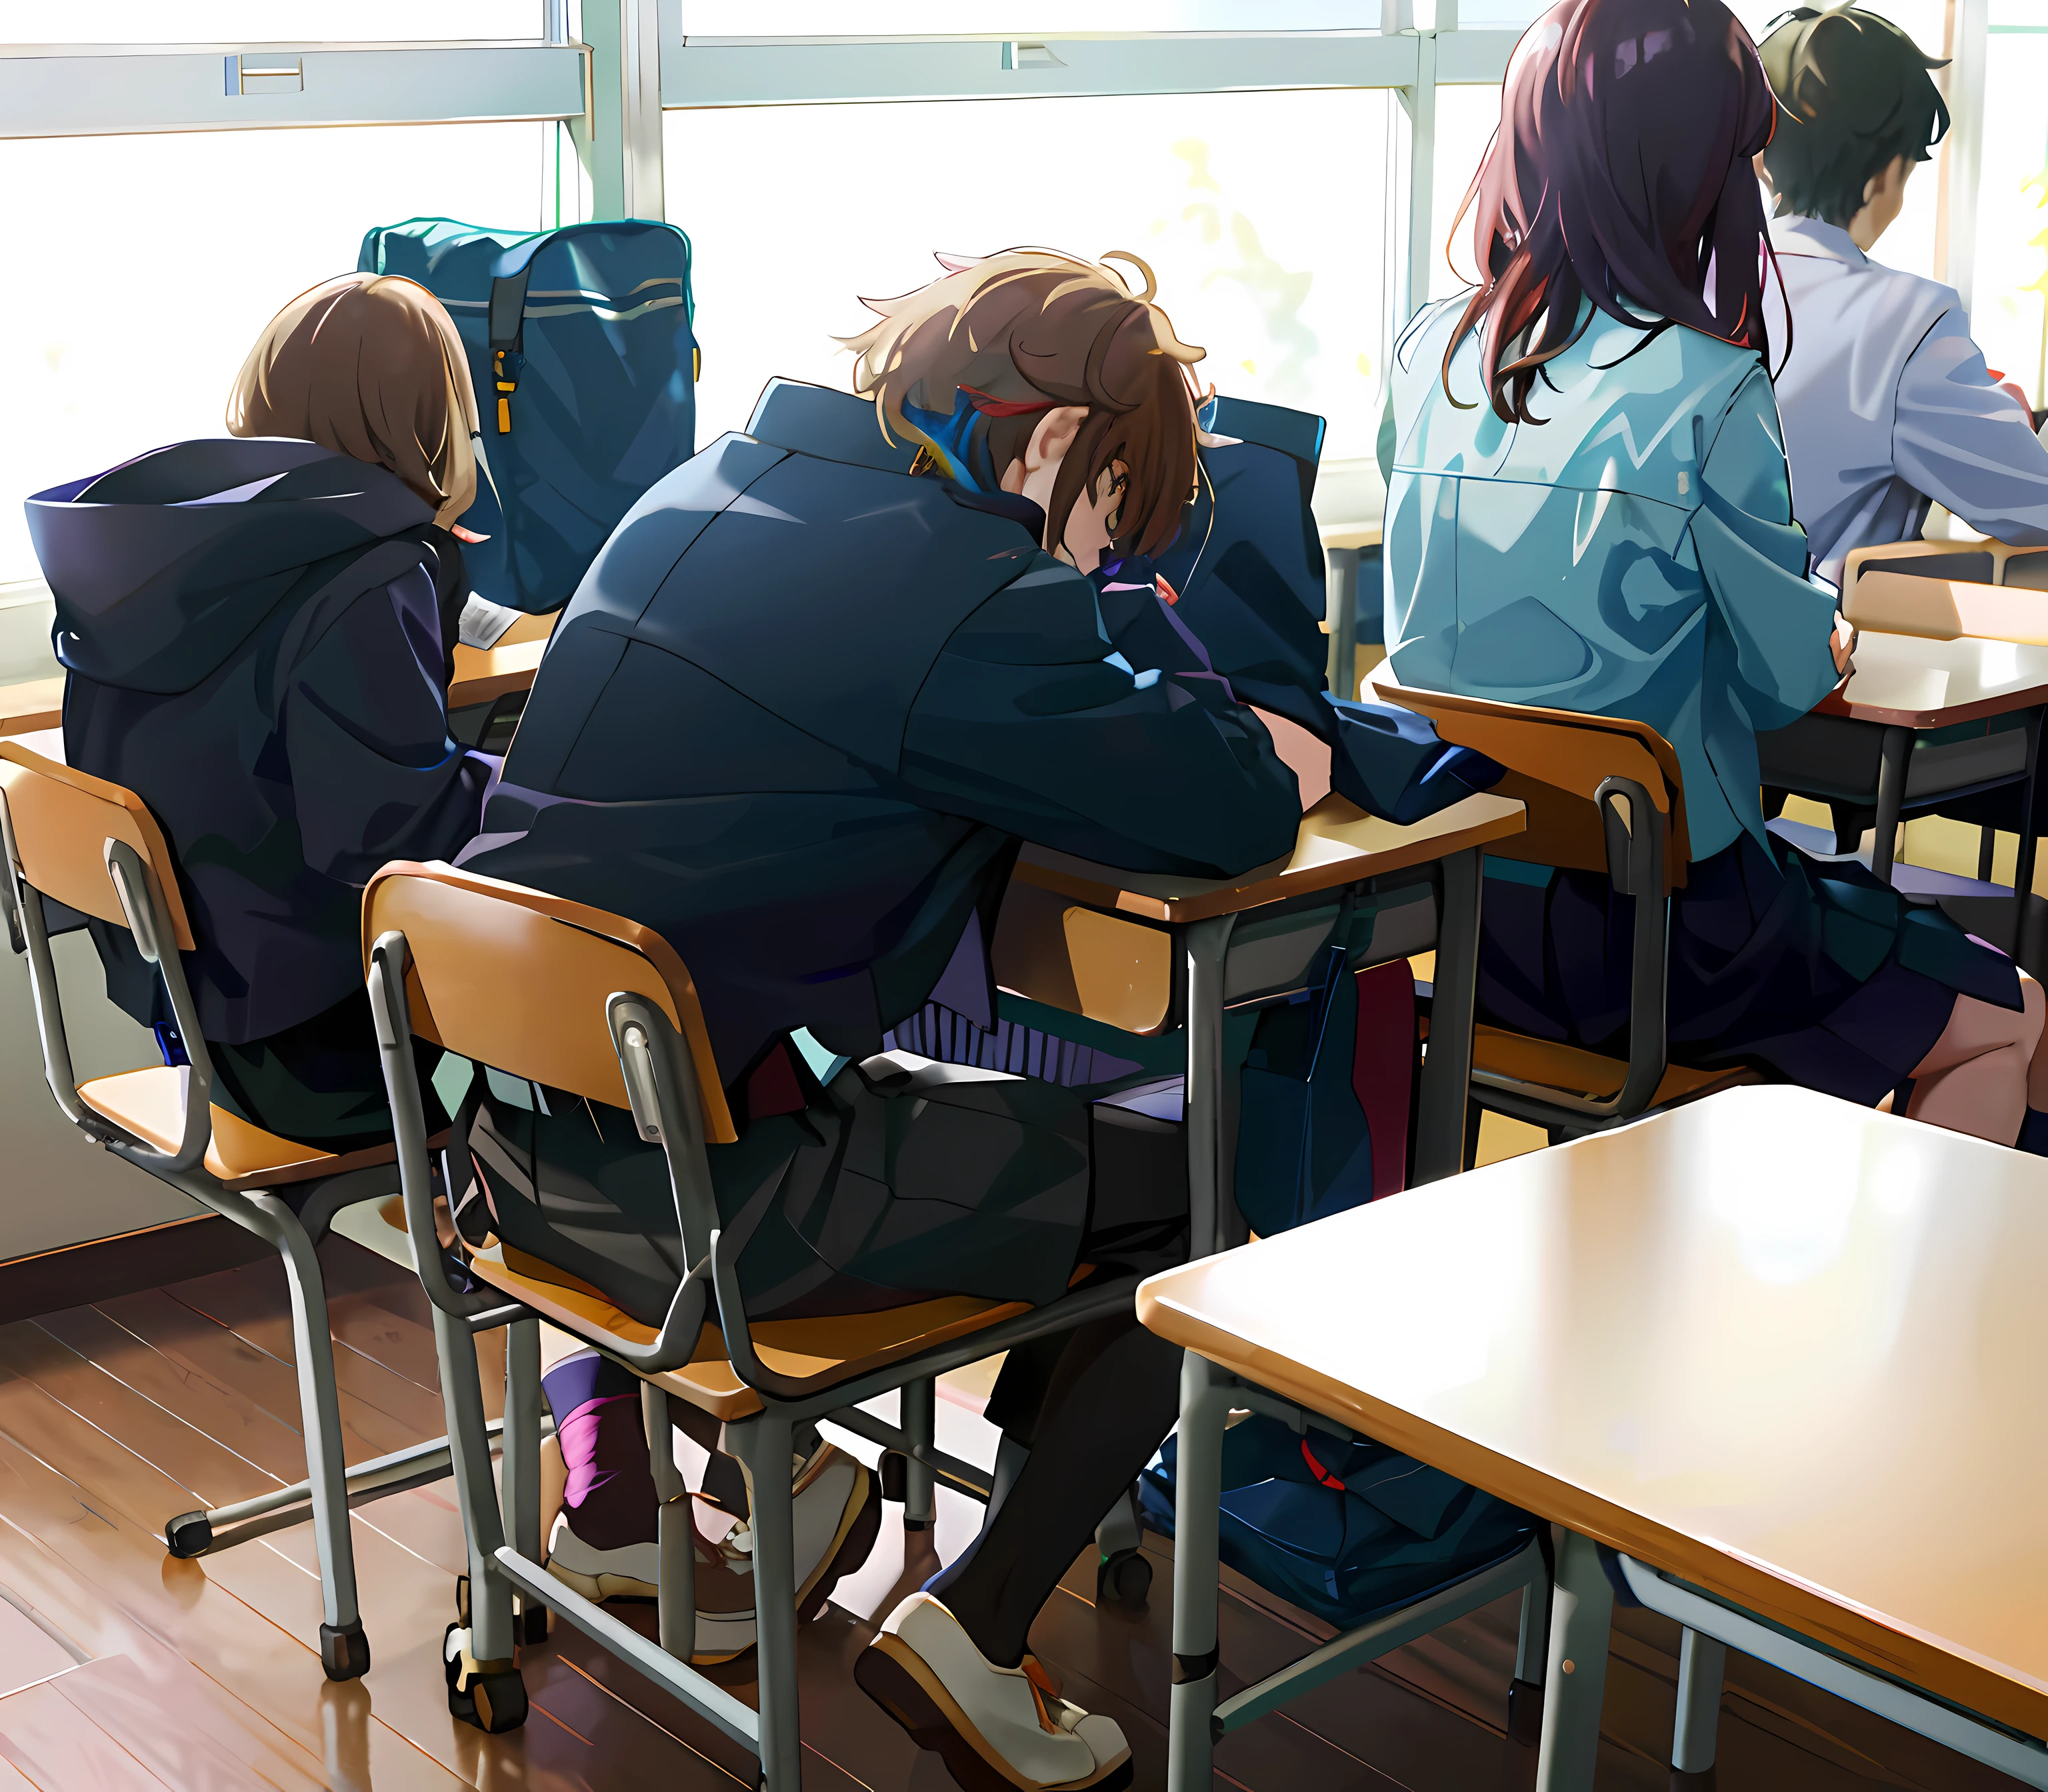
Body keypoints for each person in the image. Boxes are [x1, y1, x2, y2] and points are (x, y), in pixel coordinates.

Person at [455, 248, 1499, 1789]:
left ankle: (859, 1502)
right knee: (1201, 1207)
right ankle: (977, 1621)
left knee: (1008, 1137)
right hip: (716, 1216)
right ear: (1057, 448)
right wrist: (1267, 745)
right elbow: (1213, 805)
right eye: (1106, 507)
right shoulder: (958, 590)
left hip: (511, 1167)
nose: (1091, 551)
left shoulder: (695, 491)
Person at [1382, 0, 2048, 1150]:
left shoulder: (1428, 352)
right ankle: (1931, 1325)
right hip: (1671, 934)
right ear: (1700, 174)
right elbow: (1790, 679)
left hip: (1469, 897)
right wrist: (1820, 634)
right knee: (2010, 1012)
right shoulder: (1705, 384)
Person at [27, 273, 495, 1149]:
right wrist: (533, 786)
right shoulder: (367, 574)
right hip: (312, 1038)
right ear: (431, 417)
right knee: (595, 949)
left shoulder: (166, 546)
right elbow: (384, 831)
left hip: (190, 1000)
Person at [1757, 5, 2048, 588]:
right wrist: (2007, 416)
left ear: (1763, 159)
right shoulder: (1907, 322)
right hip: (1836, 663)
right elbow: (2032, 506)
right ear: (1887, 172)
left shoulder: (1689, 290)